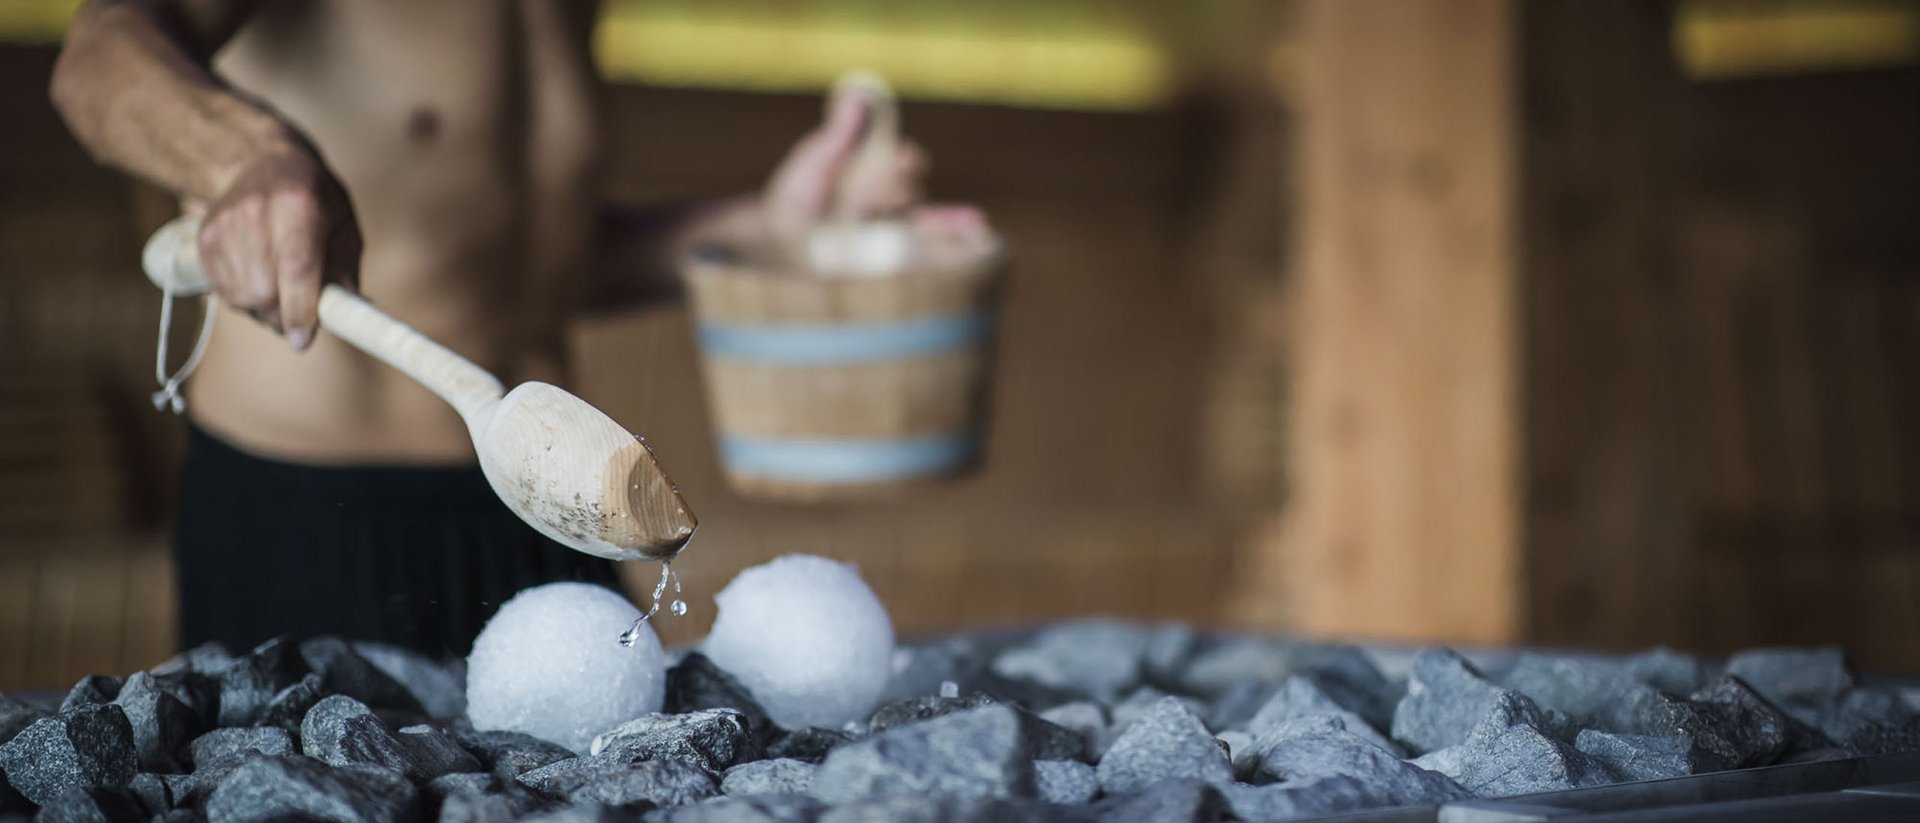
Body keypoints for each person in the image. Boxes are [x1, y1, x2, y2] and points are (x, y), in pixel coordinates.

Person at [49, 0, 984, 655]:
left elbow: (518, 260)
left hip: (547, 519)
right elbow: (97, 52)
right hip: (321, 517)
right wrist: (249, 158)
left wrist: (780, 230)